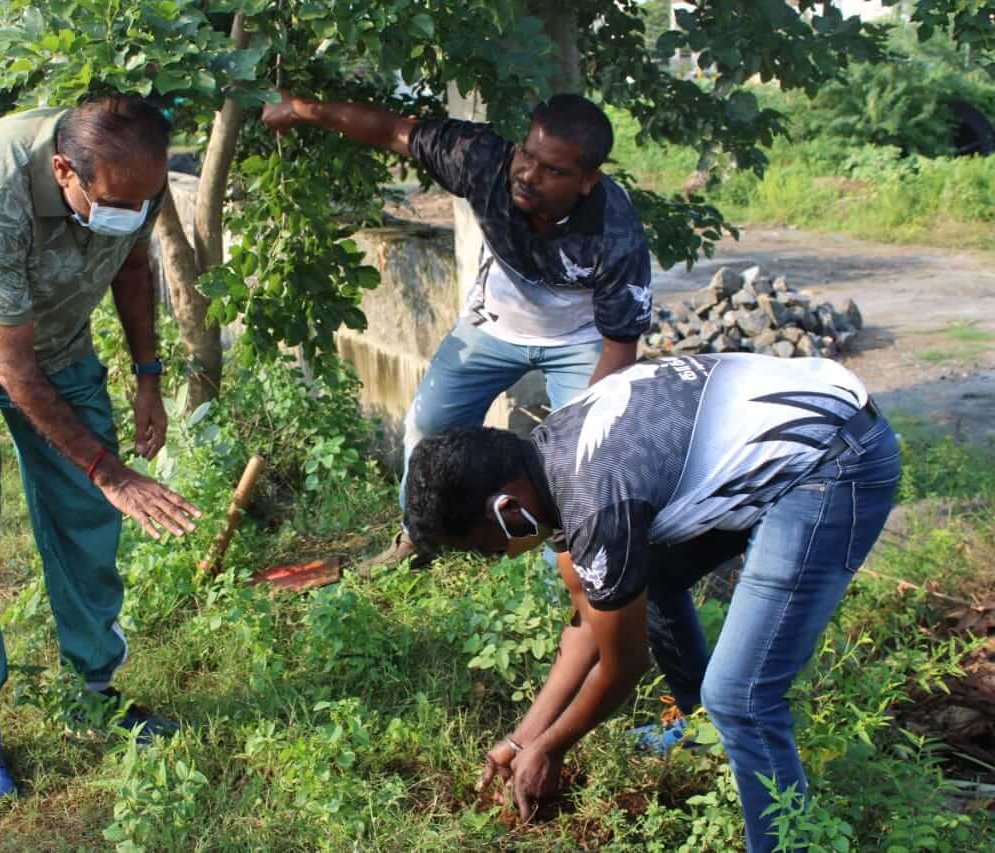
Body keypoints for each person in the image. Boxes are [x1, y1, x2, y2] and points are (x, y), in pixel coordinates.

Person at [403, 353, 900, 852]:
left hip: (833, 460)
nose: (489, 559)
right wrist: (522, 740)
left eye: (479, 547)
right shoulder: (545, 464)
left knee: (741, 697)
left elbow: (624, 664)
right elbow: (586, 625)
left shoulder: (596, 500)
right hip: (807, 419)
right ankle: (701, 731)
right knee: (642, 579)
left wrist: (552, 748)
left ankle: (783, 842)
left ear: (506, 509)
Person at [0, 95, 202, 810]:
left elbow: (130, 267)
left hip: (60, 348)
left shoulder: (134, 177)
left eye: (145, 200)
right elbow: (14, 371)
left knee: (85, 524)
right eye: (118, 201)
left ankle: (95, 690)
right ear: (64, 170)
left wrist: (148, 377)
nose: (135, 210)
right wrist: (109, 468)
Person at [262, 89, 652, 573]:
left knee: (581, 465)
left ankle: (569, 585)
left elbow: (620, 347)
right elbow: (392, 131)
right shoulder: (484, 162)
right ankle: (416, 539)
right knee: (426, 427)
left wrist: (585, 435)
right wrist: (302, 109)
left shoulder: (615, 232)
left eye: (553, 171)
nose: (529, 175)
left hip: (579, 344)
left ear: (587, 180)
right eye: (527, 156)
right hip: (489, 328)